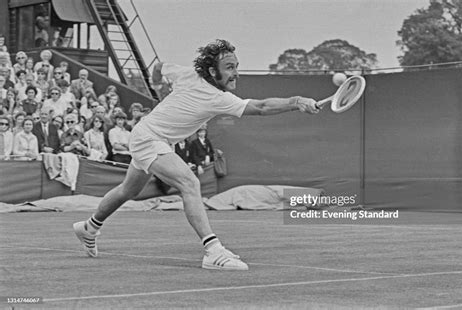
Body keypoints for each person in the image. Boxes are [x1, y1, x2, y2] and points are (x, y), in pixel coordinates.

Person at [73, 39, 320, 271]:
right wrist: (296, 100)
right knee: (189, 182)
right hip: (150, 138)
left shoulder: (190, 77)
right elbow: (261, 107)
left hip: (152, 136)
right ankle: (212, 250)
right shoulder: (217, 97)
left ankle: (89, 227)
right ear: (213, 72)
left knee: (128, 190)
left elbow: (159, 68)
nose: (236, 73)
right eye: (229, 67)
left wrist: (158, 85)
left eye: (237, 66)